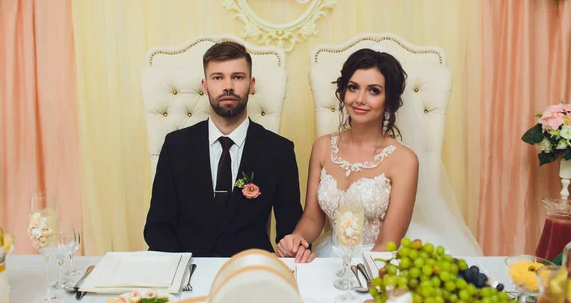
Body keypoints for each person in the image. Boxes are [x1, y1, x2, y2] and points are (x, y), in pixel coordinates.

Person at [277, 49, 482, 262]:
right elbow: (312, 217)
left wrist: (355, 273)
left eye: (374, 91)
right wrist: (296, 239)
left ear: (389, 101)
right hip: (333, 253)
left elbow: (388, 242)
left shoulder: (403, 160)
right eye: (353, 88)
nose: (359, 99)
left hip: (380, 260)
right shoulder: (322, 147)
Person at [144, 41, 306, 257]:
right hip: (188, 270)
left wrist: (295, 249)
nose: (228, 86)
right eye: (218, 77)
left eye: (238, 77)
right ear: (205, 85)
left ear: (251, 84)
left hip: (250, 270)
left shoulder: (279, 150)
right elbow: (158, 227)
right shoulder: (176, 146)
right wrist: (181, 270)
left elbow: (291, 229)